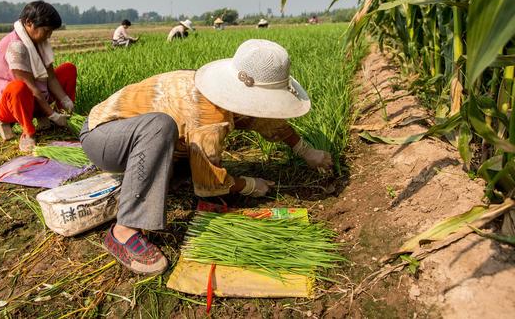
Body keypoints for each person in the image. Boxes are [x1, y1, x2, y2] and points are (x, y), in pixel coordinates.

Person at [79, 39, 333, 274]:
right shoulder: (208, 115)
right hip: (104, 137)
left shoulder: (226, 96)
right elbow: (209, 183)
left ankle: (163, 178)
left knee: (180, 148)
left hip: (138, 142)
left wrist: (305, 150)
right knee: (161, 126)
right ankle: (124, 229)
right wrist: (249, 185)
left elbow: (266, 121)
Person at [0, 1, 77, 152]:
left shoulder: (40, 42)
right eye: (46, 30)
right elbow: (31, 88)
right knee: (18, 87)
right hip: (10, 105)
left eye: (51, 31)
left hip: (35, 99)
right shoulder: (16, 46)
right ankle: (28, 132)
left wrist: (65, 100)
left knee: (68, 69)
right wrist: (51, 114)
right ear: (29, 22)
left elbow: (51, 77)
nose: (49, 36)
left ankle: (66, 117)